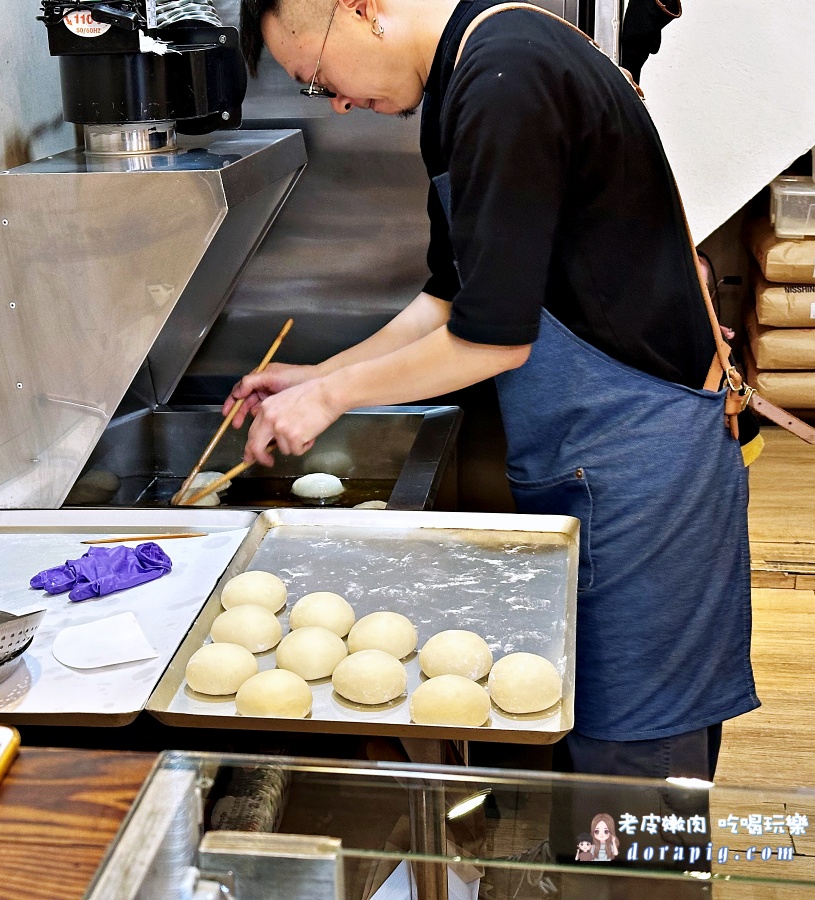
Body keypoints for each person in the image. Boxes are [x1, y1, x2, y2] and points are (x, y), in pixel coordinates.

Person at [228, 0, 762, 778]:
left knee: (636, 753)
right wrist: (323, 374)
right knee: (593, 736)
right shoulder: (460, 86)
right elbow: (450, 298)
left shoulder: (503, 77)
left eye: (317, 77)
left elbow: (495, 339)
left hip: (644, 471)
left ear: (363, 8)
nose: (338, 101)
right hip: (589, 455)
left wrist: (332, 401)